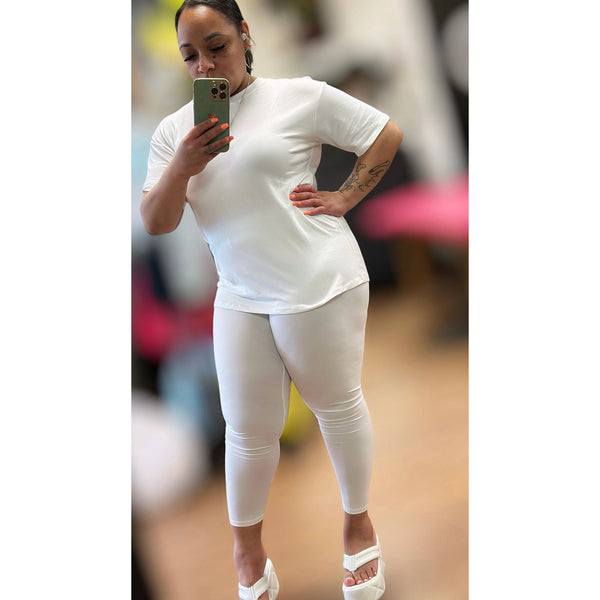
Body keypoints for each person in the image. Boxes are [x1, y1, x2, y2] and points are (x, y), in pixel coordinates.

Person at [140, 1, 404, 598]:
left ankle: (358, 526)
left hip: (319, 279)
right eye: (190, 56)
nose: (206, 65)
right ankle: (247, 551)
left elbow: (384, 135)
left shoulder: (298, 96)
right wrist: (183, 165)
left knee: (337, 407)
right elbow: (156, 221)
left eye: (217, 46)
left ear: (244, 35)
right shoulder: (174, 132)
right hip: (239, 293)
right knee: (246, 432)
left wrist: (344, 196)